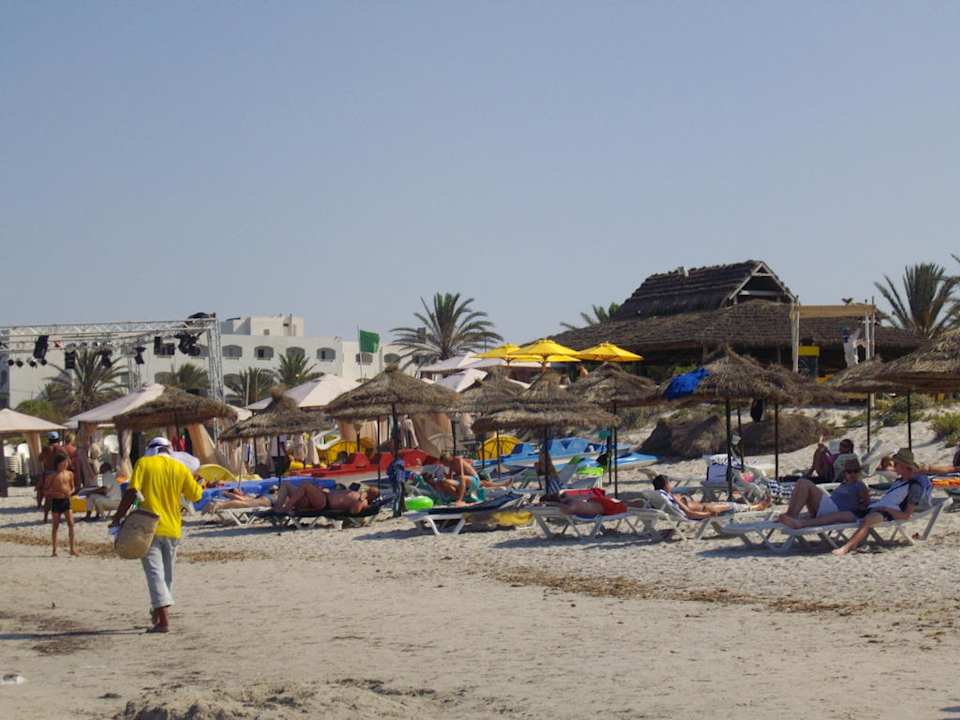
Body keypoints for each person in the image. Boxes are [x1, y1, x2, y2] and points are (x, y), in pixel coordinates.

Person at [110, 437, 203, 634]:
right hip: (173, 528)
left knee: (154, 574)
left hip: (147, 527)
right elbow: (196, 495)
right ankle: (158, 613)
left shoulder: (144, 463)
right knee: (166, 576)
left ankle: (163, 622)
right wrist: (197, 481)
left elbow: (132, 492)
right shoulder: (180, 468)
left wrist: (117, 518)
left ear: (150, 450)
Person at [833, 449, 931, 557]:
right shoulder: (899, 481)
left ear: (903, 466)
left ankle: (845, 548)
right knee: (835, 516)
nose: (893, 466)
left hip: (886, 513)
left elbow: (906, 515)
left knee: (867, 521)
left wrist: (886, 509)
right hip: (875, 507)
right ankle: (812, 526)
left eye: (896, 464)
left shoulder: (914, 487)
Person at [776, 459, 870, 528]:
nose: (853, 474)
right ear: (845, 473)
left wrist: (852, 510)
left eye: (855, 471)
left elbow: (865, 505)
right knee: (801, 482)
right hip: (828, 507)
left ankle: (791, 515)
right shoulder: (844, 483)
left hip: (834, 510)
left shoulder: (859, 485)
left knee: (804, 482)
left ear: (859, 472)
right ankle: (790, 514)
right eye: (849, 471)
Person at [642, 475, 770, 520]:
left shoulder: (661, 499)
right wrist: (708, 516)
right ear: (665, 485)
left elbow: (678, 514)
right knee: (733, 506)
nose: (671, 485)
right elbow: (689, 514)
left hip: (707, 506)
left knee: (731, 504)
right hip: (707, 510)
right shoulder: (673, 499)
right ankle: (757, 506)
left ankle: (754, 505)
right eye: (669, 483)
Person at [45, 451, 78, 557]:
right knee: (55, 526)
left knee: (71, 524)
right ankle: (54, 550)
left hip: (66, 501)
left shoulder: (70, 474)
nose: (65, 465)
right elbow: (45, 491)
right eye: (63, 463)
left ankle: (72, 549)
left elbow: (73, 487)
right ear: (58, 464)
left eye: (66, 463)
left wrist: (70, 492)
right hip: (56, 501)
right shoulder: (52, 476)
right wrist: (55, 493)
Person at [275, 481, 379, 515]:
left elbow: (353, 511)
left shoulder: (363, 501)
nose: (367, 490)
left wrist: (361, 499)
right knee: (285, 485)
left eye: (370, 490)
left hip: (324, 503)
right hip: (322, 497)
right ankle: (278, 508)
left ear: (372, 496)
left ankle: (286, 508)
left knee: (306, 485)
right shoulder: (357, 492)